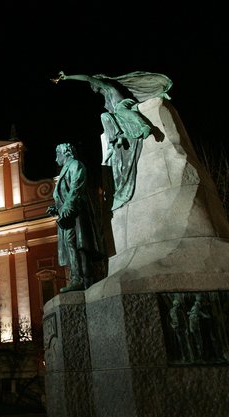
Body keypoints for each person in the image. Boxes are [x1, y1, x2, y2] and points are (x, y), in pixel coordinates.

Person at [52, 70, 172, 210]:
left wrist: (67, 77)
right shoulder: (106, 98)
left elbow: (86, 77)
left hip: (124, 104)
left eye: (93, 85)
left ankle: (144, 126)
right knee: (105, 116)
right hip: (116, 112)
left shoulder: (107, 87)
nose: (92, 88)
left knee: (121, 111)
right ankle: (118, 136)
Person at [46, 143, 101, 292]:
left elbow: (76, 186)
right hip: (68, 214)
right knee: (71, 244)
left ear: (66, 153)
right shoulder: (66, 169)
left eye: (58, 154)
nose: (56, 158)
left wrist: (68, 206)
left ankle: (83, 278)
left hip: (76, 211)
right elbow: (63, 194)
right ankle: (77, 277)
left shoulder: (75, 165)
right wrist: (56, 208)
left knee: (79, 244)